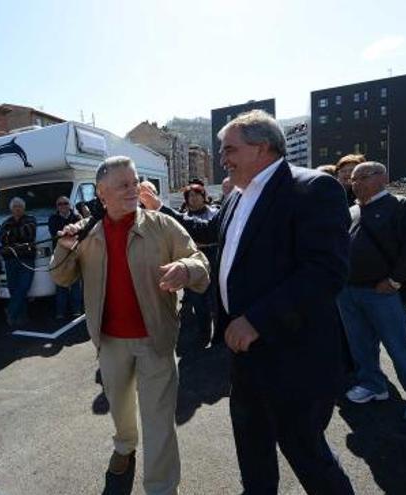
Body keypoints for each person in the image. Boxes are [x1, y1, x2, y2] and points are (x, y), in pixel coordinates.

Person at [141, 109, 354, 494]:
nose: (223, 158)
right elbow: (209, 232)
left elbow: (325, 272)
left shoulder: (313, 189)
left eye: (230, 149)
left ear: (262, 147)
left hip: (292, 353)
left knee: (306, 453)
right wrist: (161, 210)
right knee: (252, 447)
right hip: (243, 355)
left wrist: (256, 319)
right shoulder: (238, 197)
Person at [51, 156, 210, 495]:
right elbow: (62, 278)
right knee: (121, 409)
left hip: (155, 340)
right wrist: (62, 249)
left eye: (134, 182)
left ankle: (162, 488)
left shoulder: (161, 225)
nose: (133, 189)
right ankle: (124, 446)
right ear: (102, 193)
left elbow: (201, 263)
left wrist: (186, 268)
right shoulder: (87, 234)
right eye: (123, 184)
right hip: (109, 343)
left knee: (159, 422)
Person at [339, 162, 406, 423]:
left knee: (399, 346)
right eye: (352, 179)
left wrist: (395, 281)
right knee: (360, 344)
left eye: (362, 177)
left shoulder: (404, 207)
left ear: (383, 178)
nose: (355, 183)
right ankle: (372, 384)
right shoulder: (352, 211)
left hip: (382, 291)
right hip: (348, 290)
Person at [180, 183, 218, 346]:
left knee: (215, 300)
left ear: (204, 196)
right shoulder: (183, 218)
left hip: (213, 259)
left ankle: (220, 334)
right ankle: (204, 334)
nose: (193, 199)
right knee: (198, 301)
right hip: (193, 261)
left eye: (197, 195)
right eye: (190, 196)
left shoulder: (215, 213)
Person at [0, 197, 37, 328]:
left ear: (24, 208)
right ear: (11, 209)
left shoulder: (31, 219)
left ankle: (10, 310)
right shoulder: (5, 222)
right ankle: (21, 318)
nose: (17, 208)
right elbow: (3, 238)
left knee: (23, 287)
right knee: (13, 288)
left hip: (26, 258)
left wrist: (12, 236)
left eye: (20, 206)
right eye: (15, 206)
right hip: (10, 259)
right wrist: (17, 236)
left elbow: (29, 234)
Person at [48, 195, 82, 319]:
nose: (63, 206)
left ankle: (76, 309)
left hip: (74, 254)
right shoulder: (53, 219)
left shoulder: (77, 217)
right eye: (60, 204)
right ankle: (60, 312)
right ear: (57, 207)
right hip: (60, 255)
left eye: (65, 203)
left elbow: (80, 234)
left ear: (70, 205)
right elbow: (55, 233)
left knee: (75, 283)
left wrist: (66, 234)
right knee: (60, 282)